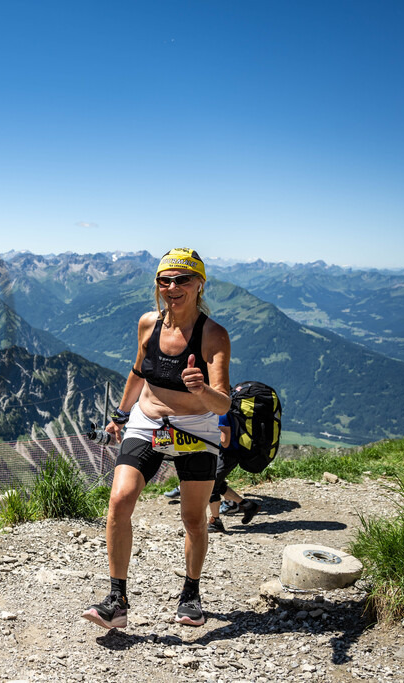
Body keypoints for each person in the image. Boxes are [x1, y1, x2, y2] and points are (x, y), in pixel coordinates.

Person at [82, 248, 231, 629]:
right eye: (165, 280)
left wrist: (201, 389)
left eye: (182, 279)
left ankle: (191, 594)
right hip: (147, 420)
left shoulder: (213, 335)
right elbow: (137, 371)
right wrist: (120, 414)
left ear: (199, 284)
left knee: (194, 519)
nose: (172, 287)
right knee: (119, 501)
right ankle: (116, 599)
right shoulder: (148, 323)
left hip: (195, 428)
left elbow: (222, 400)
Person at [207, 412, 260, 533]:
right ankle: (248, 506)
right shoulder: (224, 411)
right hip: (229, 454)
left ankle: (216, 522)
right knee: (218, 485)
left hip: (228, 454)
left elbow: (225, 442)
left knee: (212, 484)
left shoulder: (221, 414)